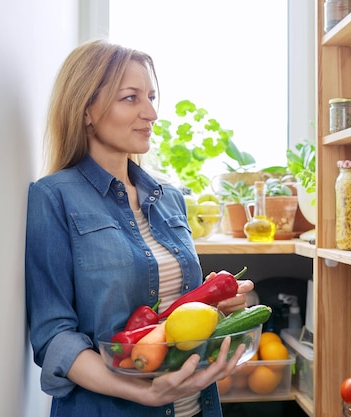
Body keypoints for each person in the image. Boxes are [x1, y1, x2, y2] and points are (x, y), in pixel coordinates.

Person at [25, 39, 255, 417]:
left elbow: (178, 314)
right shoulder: (54, 198)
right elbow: (54, 337)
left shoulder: (171, 198)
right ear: (86, 110)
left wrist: (219, 306)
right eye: (130, 98)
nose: (151, 112)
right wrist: (144, 394)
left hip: (198, 407)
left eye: (150, 96)